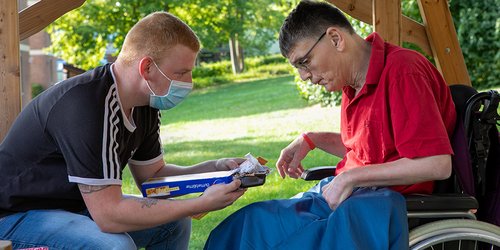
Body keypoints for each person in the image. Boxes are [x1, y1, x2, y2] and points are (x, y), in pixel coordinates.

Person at [204, 1, 456, 249]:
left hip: (381, 203)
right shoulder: (352, 82)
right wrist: (313, 139)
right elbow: (373, 150)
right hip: (350, 194)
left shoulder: (404, 72)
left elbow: (436, 163)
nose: (304, 76)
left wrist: (350, 177)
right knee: (248, 224)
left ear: (335, 39)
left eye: (304, 62)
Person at [0, 11, 246, 250]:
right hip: (14, 216)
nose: (188, 82)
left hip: (73, 207)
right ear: (147, 68)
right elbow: (109, 215)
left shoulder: (145, 104)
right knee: (114, 246)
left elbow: (153, 178)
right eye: (181, 73)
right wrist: (198, 204)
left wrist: (215, 169)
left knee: (174, 224)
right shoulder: (87, 105)